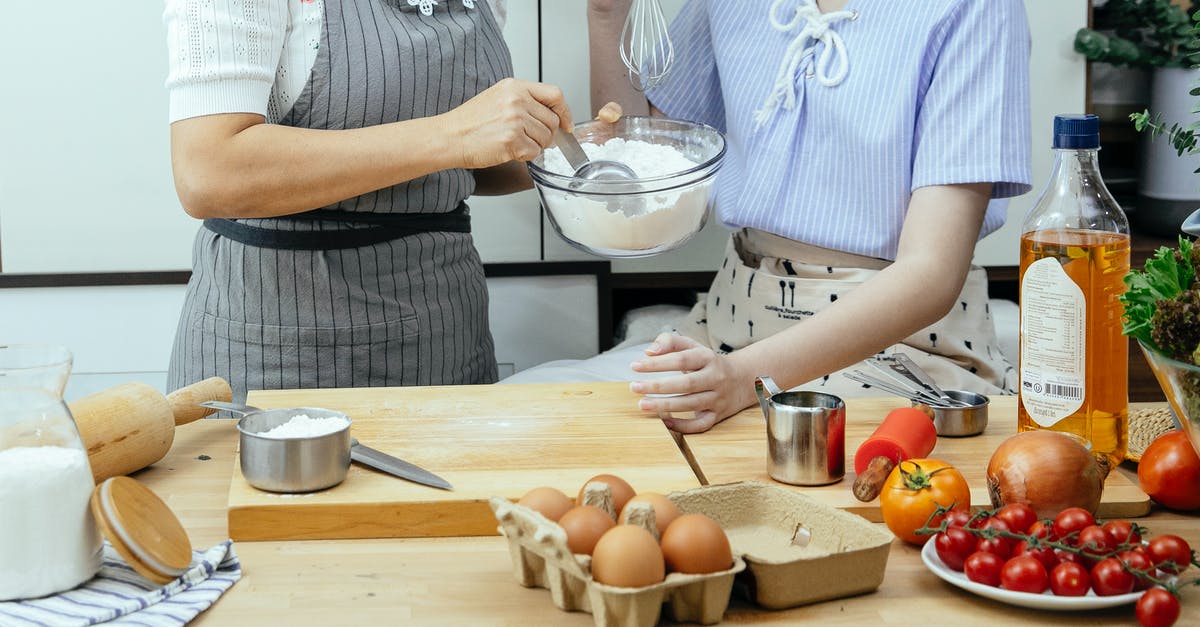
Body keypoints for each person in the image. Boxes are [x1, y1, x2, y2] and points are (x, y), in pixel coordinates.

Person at [516, 0, 1031, 433]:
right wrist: (607, 13)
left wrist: (744, 379)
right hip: (728, 328)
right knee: (535, 416)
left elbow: (931, 273)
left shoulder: (974, 9)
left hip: (901, 352)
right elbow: (648, 150)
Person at [162, 0, 574, 402]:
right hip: (281, 348)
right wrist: (458, 134)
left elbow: (457, 164)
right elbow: (208, 172)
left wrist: (574, 158)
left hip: (448, 338)